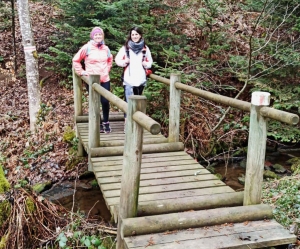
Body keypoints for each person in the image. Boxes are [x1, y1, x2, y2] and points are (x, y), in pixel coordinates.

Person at [73, 27, 113, 133]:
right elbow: (76, 60)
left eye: (100, 35)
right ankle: (98, 122)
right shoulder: (87, 48)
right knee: (95, 101)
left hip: (105, 79)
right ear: (92, 36)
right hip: (92, 80)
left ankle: (106, 121)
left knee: (105, 101)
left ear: (102, 36)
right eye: (96, 35)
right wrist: (81, 72)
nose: (98, 36)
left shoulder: (106, 48)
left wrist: (107, 69)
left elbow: (110, 59)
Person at [115, 26, 153, 118]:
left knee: (138, 103)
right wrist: (124, 62)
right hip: (128, 79)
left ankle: (136, 123)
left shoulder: (145, 48)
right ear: (130, 36)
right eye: (133, 34)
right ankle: (127, 124)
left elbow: (150, 62)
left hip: (140, 79)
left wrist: (146, 64)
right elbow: (117, 60)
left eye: (136, 34)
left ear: (140, 35)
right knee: (128, 102)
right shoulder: (125, 48)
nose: (134, 36)